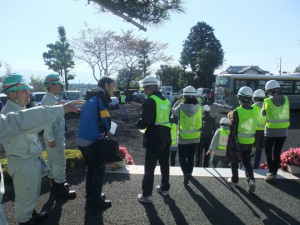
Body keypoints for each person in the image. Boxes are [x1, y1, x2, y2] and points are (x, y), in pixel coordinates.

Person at [0, 100, 83, 225]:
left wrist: (54, 109)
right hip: (22, 161)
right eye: (24, 90)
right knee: (25, 196)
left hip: (29, 159)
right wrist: (55, 114)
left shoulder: (20, 108)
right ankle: (25, 220)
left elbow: (35, 121)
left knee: (31, 193)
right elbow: (26, 121)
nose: (28, 94)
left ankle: (31, 215)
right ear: (12, 93)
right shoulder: (9, 112)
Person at [77, 76, 115, 209]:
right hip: (92, 140)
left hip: (81, 139)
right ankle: (95, 200)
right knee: (99, 169)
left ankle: (91, 196)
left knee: (91, 169)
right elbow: (105, 119)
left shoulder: (90, 97)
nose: (113, 89)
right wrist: (108, 129)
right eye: (112, 86)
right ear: (106, 86)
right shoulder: (101, 99)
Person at [136, 75, 171, 203]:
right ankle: (165, 188)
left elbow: (146, 121)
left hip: (154, 138)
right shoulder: (166, 101)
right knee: (164, 165)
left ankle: (147, 195)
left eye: (145, 88)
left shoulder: (150, 101)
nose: (144, 90)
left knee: (149, 168)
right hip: (166, 137)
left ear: (151, 88)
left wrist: (139, 123)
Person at [41, 74, 76, 198]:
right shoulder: (49, 101)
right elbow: (47, 122)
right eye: (59, 85)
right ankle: (61, 189)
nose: (61, 87)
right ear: (52, 86)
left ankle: (55, 187)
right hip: (54, 137)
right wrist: (50, 138)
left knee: (53, 163)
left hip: (55, 136)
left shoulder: (52, 99)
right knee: (60, 162)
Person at [227, 86, 257, 193]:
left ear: (239, 98)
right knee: (247, 162)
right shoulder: (255, 111)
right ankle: (251, 180)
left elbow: (233, 127)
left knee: (234, 160)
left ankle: (235, 179)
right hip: (250, 142)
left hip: (239, 142)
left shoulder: (237, 111)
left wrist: (230, 120)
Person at [172, 86, 202, 185]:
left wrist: (178, 101)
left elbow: (173, 111)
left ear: (184, 96)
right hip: (195, 137)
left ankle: (185, 174)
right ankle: (189, 173)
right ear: (194, 96)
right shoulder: (199, 107)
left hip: (183, 137)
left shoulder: (180, 107)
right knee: (190, 157)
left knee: (181, 157)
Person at [262, 80, 290, 181]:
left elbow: (263, 114)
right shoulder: (286, 99)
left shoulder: (267, 101)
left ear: (269, 91)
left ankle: (271, 171)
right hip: (283, 131)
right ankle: (275, 171)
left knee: (268, 151)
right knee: (277, 152)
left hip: (271, 131)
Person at [252, 89, 266, 169]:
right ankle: (256, 167)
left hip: (254, 131)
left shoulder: (253, 107)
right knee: (259, 151)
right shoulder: (266, 106)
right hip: (263, 132)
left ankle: (247, 166)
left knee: (250, 150)